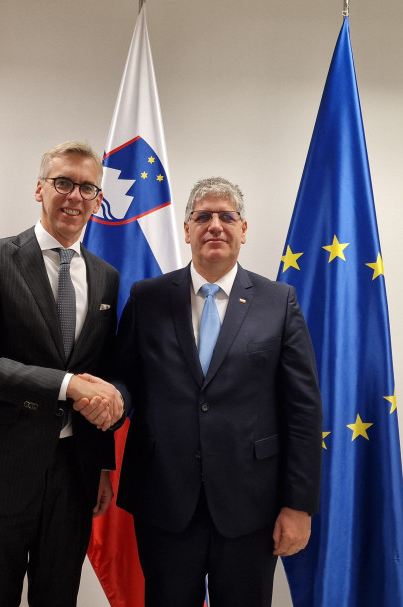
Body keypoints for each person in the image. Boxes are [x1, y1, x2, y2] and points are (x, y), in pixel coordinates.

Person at [111, 176, 323, 607]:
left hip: (252, 505)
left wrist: (298, 505)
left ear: (243, 230)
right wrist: (109, 398)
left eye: (227, 217)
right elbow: (125, 380)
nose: (215, 225)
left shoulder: (278, 301)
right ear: (186, 229)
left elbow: (302, 411)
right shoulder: (147, 297)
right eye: (203, 216)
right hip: (165, 500)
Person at [0, 141, 126, 607]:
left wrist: (102, 462)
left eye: (88, 188)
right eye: (63, 182)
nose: (75, 196)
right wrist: (66, 386)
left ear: (98, 201)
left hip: (74, 476)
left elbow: (101, 371)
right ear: (39, 189)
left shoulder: (106, 276)